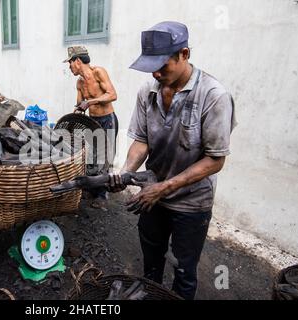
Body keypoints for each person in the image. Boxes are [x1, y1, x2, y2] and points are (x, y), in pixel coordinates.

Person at [108, 21, 236, 300]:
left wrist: (163, 188)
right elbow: (141, 140)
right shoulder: (148, 91)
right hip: (152, 195)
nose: (156, 73)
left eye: (163, 65)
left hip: (191, 203)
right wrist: (126, 171)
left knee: (183, 272)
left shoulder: (213, 96)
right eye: (150, 66)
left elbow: (215, 160)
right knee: (150, 264)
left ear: (184, 54)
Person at [63, 46, 118, 211]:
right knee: (91, 156)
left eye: (70, 63)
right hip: (92, 121)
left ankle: (102, 195)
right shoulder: (79, 82)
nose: (69, 67)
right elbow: (81, 104)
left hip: (107, 119)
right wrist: (77, 111)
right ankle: (92, 187)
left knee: (104, 158)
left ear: (77, 61)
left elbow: (112, 94)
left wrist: (91, 102)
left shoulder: (98, 72)